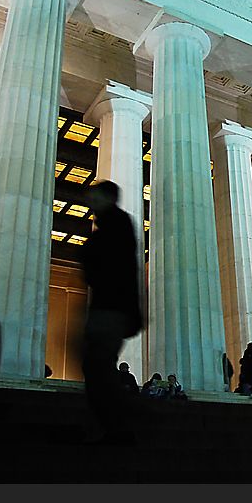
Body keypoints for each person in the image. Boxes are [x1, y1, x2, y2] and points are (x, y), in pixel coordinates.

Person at [79, 180, 143, 444]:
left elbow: (109, 266)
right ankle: (113, 426)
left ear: (106, 198)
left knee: (98, 368)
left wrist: (88, 252)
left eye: (95, 197)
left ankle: (116, 426)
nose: (89, 202)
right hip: (113, 308)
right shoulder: (114, 225)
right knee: (98, 367)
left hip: (110, 308)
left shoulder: (115, 226)